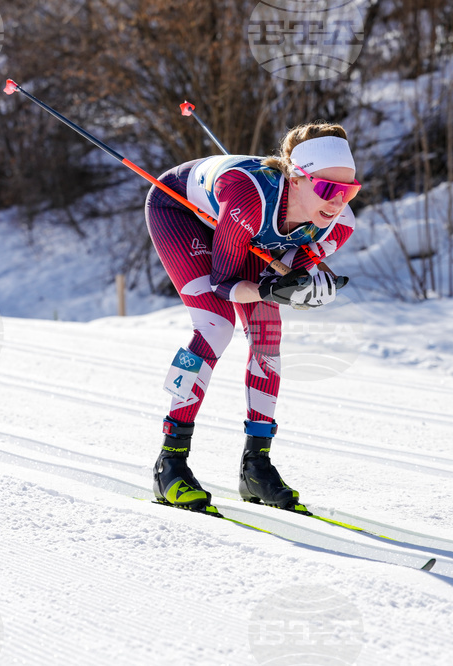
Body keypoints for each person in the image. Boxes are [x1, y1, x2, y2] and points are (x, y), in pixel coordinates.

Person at [144, 122, 361, 513]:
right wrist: (270, 289)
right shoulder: (251, 200)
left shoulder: (340, 223)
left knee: (266, 333)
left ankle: (255, 467)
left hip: (245, 230)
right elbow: (225, 283)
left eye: (349, 191)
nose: (338, 202)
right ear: (297, 179)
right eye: (329, 189)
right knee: (215, 325)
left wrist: (304, 284)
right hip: (179, 211)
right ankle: (170, 462)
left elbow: (293, 270)